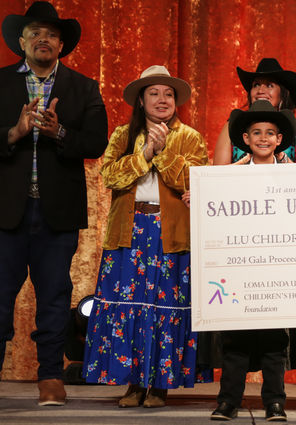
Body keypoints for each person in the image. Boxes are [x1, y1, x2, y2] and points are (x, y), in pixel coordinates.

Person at [82, 65, 209, 408]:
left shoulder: (190, 136)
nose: (162, 99)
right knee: (129, 307)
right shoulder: (124, 134)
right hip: (129, 231)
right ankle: (133, 383)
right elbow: (109, 175)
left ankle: (159, 385)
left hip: (170, 234)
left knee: (164, 306)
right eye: (154, 93)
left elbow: (193, 182)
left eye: (168, 94)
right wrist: (145, 154)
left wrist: (164, 150)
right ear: (141, 100)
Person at [0, 1, 108, 406]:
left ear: (61, 44)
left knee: (54, 299)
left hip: (56, 213)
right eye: (35, 33)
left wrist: (60, 132)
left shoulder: (83, 87)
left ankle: (50, 379)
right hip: (6, 212)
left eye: (51, 34)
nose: (43, 39)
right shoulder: (1, 82)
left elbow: (96, 142)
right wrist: (15, 131)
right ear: (22, 42)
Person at [209, 100, 296, 422]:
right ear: (245, 139)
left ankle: (275, 402)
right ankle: (228, 401)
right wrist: (200, 199)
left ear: (279, 140)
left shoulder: (294, 175)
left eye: (270, 133)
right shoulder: (227, 177)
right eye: (256, 132)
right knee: (236, 339)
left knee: (275, 339)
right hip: (240, 267)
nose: (263, 138)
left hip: (277, 266)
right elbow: (213, 210)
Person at [214, 58, 296, 165]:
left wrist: (282, 158)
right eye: (256, 85)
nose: (260, 91)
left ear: (282, 94)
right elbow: (218, 174)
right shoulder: (232, 126)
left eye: (269, 85)